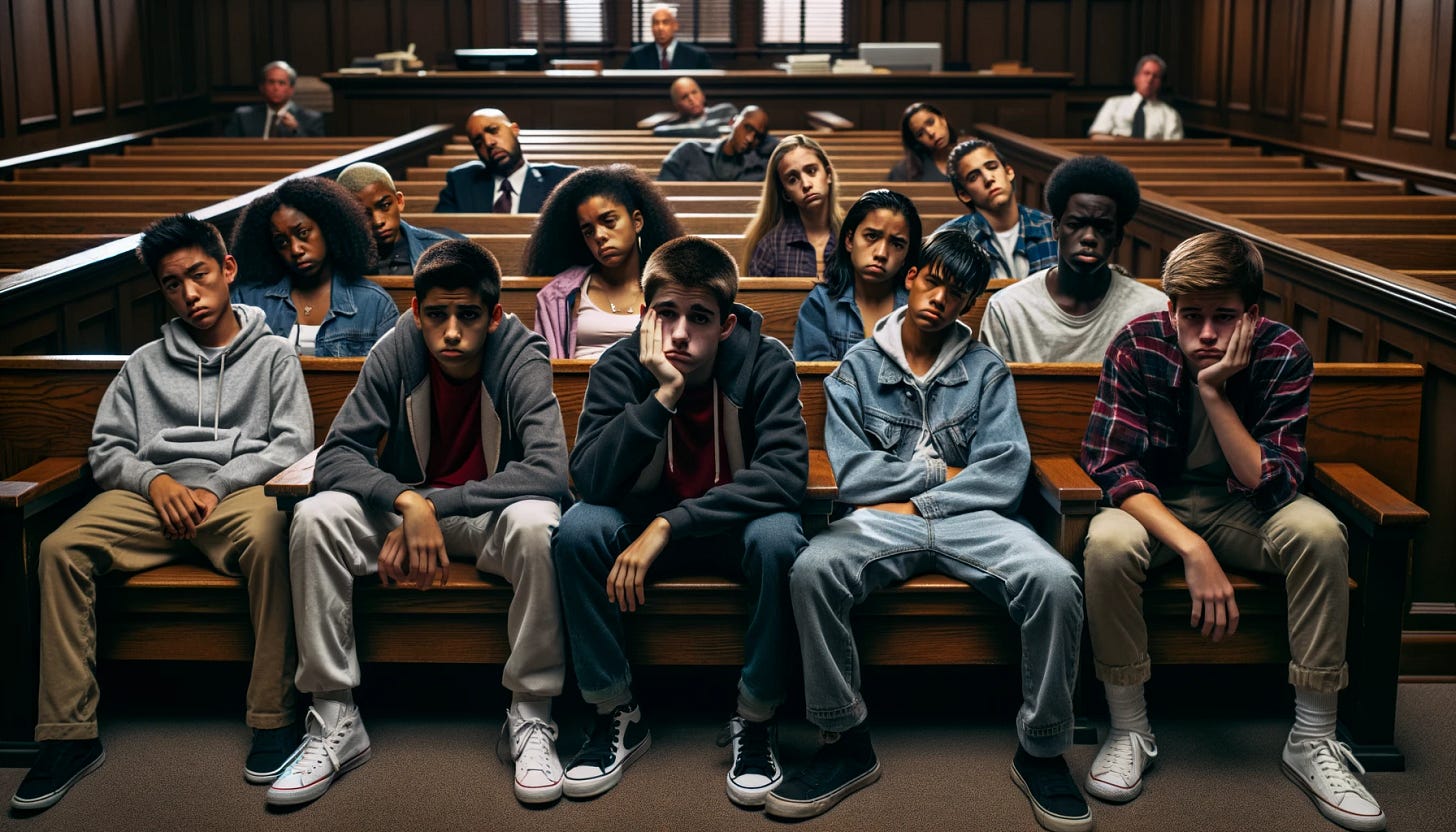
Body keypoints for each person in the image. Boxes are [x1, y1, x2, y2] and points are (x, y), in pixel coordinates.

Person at [766, 230, 1089, 832]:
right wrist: (942, 472)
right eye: (934, 280)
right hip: (879, 525)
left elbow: (1003, 472)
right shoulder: (855, 371)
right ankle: (845, 738)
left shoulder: (985, 371)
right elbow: (854, 473)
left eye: (957, 293)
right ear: (912, 276)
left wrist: (918, 502)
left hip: (971, 523)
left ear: (968, 305)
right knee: (813, 568)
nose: (941, 298)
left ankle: (1043, 748)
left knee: (1055, 577)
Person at [1079, 231, 1384, 832]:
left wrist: (1214, 390)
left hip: (1247, 508)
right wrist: (1191, 548)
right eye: (1191, 317)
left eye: (1224, 317)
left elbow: (1272, 483)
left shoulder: (1283, 351)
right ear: (1171, 312)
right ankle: (1130, 725)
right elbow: (1112, 466)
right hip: (1159, 506)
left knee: (1321, 532)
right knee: (1107, 543)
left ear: (1252, 314)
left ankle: (1313, 736)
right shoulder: (1137, 344)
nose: (1208, 335)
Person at [9, 214, 313, 812]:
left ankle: (273, 716)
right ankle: (69, 736)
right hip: (151, 499)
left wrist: (218, 485)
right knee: (59, 549)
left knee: (274, 537)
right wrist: (156, 481)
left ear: (227, 270)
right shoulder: (144, 363)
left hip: (235, 496)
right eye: (172, 285)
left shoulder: (274, 354)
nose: (190, 295)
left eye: (198, 275)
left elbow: (291, 442)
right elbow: (107, 450)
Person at [270, 240, 571, 808]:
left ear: (496, 315)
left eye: (469, 316)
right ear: (415, 310)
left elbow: (550, 471)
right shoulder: (397, 348)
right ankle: (334, 715)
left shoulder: (521, 353)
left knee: (540, 525)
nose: (452, 331)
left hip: (487, 515)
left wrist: (435, 507)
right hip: (408, 512)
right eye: (437, 315)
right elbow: (337, 455)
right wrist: (406, 502)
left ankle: (531, 715)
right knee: (314, 516)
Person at [552, 237, 808, 807]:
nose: (679, 333)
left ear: (727, 323)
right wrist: (661, 397)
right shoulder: (620, 366)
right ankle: (615, 710)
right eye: (665, 313)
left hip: (720, 531)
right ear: (645, 315)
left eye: (699, 317)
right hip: (637, 533)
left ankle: (757, 719)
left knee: (779, 537)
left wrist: (669, 524)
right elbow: (589, 480)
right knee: (577, 529)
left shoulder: (766, 363)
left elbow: (785, 477)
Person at [979, 156, 1166, 362]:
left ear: (1118, 237)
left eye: (1103, 228)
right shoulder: (1009, 308)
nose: (1089, 237)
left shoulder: (1152, 310)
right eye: (1076, 224)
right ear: (1056, 229)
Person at [523, 164, 686, 358]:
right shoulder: (559, 294)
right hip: (575, 388)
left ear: (637, 221)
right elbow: (547, 367)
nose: (599, 236)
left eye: (609, 222)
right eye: (588, 231)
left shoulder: (672, 287)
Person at [229, 176, 397, 356]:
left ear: (327, 227)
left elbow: (390, 378)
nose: (295, 249)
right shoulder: (248, 300)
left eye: (303, 233)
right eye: (282, 242)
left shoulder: (375, 304)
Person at [793, 189, 921, 361]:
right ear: (849, 240)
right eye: (871, 236)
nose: (881, 253)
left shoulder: (916, 307)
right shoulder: (821, 303)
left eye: (897, 244)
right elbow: (815, 378)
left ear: (906, 256)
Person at [934, 138, 1056, 281]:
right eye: (974, 177)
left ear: (1009, 172)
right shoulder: (951, 241)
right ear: (964, 194)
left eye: (992, 167)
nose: (988, 178)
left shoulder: (1049, 228)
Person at [436, 108, 579, 213]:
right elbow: (439, 238)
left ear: (514, 130)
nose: (488, 142)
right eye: (478, 142)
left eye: (493, 130)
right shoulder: (460, 182)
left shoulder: (562, 180)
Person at [743, 134, 845, 279]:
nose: (806, 184)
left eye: (811, 171)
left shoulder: (850, 237)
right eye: (792, 179)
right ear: (785, 193)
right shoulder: (770, 246)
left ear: (828, 174)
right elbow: (755, 301)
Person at [336, 162, 463, 275]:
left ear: (399, 201)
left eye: (385, 206)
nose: (378, 221)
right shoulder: (335, 261)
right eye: (363, 214)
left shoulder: (441, 250)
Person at [658, 106, 778, 182]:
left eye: (758, 136)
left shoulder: (758, 169)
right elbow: (660, 197)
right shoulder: (689, 151)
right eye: (747, 127)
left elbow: (782, 148)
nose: (750, 138)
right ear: (732, 122)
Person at [1088, 54, 1184, 141]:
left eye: (1156, 76)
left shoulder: (1170, 114)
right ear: (1136, 78)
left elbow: (1173, 147)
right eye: (1146, 73)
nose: (1150, 79)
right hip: (1115, 156)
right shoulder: (1114, 103)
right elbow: (1096, 136)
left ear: (1160, 83)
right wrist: (1124, 142)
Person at [223, 60, 325, 138]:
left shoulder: (311, 119)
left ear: (291, 89)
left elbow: (317, 153)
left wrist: (296, 130)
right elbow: (227, 148)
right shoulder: (243, 117)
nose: (275, 88)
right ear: (262, 87)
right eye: (271, 82)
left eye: (281, 83)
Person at [623, 4, 713, 70]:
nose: (660, 28)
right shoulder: (637, 55)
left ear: (675, 25)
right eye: (656, 23)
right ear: (651, 27)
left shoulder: (696, 56)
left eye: (665, 22)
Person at [888, 102, 955, 182]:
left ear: (942, 119)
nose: (931, 133)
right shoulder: (904, 172)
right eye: (920, 134)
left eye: (931, 122)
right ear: (916, 142)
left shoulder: (971, 151)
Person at [652, 77, 738, 138]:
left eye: (694, 92)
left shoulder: (725, 111)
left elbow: (709, 130)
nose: (692, 100)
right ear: (677, 106)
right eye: (684, 97)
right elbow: (659, 130)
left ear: (702, 95)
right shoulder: (675, 126)